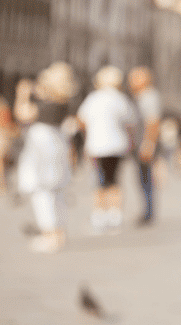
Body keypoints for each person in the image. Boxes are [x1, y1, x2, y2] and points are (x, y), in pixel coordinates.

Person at [15, 63, 78, 252]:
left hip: (42, 152)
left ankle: (49, 235)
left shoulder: (46, 107)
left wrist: (22, 94)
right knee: (56, 192)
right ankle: (59, 233)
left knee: (42, 192)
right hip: (56, 150)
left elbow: (22, 114)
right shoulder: (63, 103)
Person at [77, 65, 137, 235]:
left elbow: (81, 120)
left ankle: (99, 215)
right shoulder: (121, 99)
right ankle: (115, 215)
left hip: (97, 146)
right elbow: (131, 123)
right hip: (118, 145)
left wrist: (89, 134)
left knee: (99, 181)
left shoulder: (93, 98)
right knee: (115, 181)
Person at [128, 66, 162, 227]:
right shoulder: (140, 96)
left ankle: (148, 212)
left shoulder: (149, 96)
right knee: (142, 178)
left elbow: (153, 122)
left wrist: (148, 144)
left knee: (146, 178)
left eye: (135, 78)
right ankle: (146, 210)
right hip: (140, 143)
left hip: (144, 144)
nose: (131, 82)